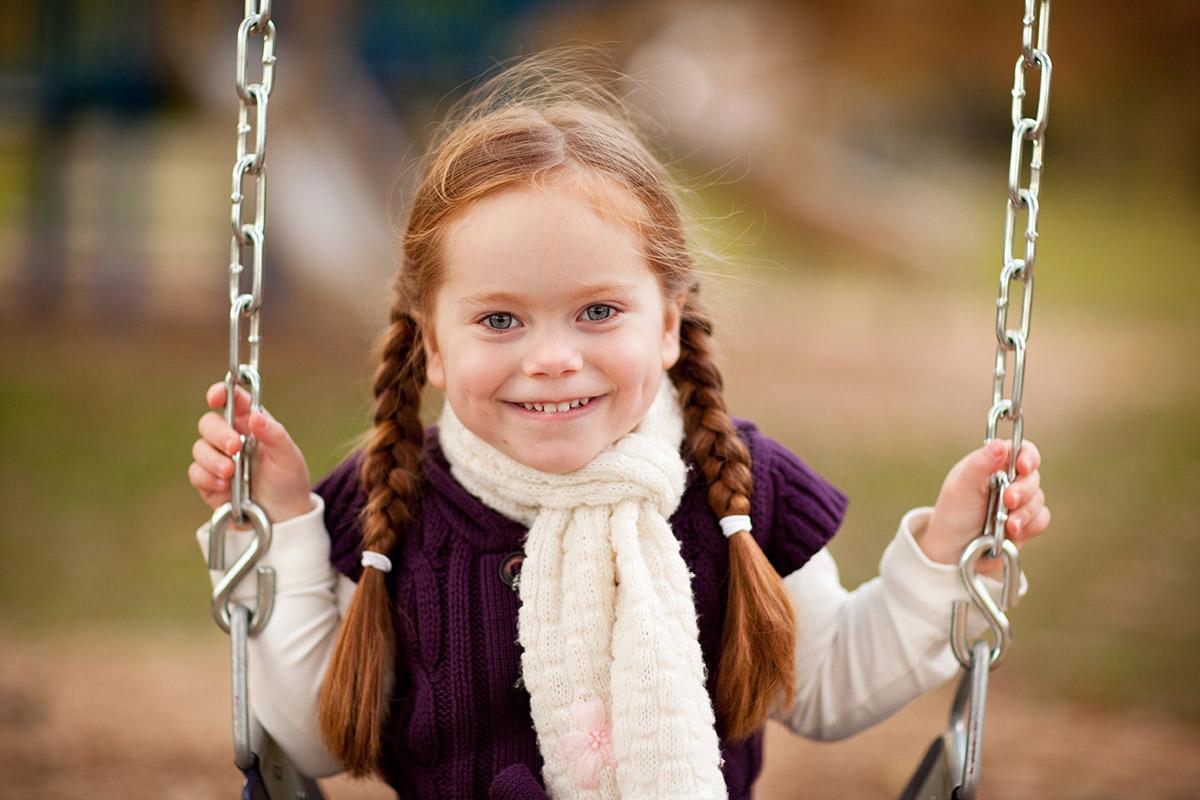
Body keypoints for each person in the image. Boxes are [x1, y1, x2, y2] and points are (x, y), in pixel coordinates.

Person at [188, 50, 1049, 800]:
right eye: (499, 321)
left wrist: (946, 553)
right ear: (432, 347)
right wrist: (287, 527)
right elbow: (310, 744)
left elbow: (827, 687)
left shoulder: (735, 489)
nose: (554, 358)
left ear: (669, 324)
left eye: (598, 311)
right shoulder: (388, 504)